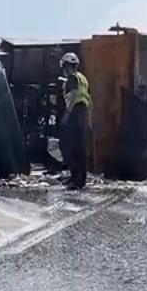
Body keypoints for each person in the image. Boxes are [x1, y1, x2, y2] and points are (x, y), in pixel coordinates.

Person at [58, 51, 91, 190]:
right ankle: (80, 179)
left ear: (66, 66)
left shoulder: (72, 78)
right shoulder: (82, 78)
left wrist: (67, 114)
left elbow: (73, 97)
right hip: (84, 113)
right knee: (80, 147)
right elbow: (88, 98)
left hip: (75, 113)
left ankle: (75, 177)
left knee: (66, 145)